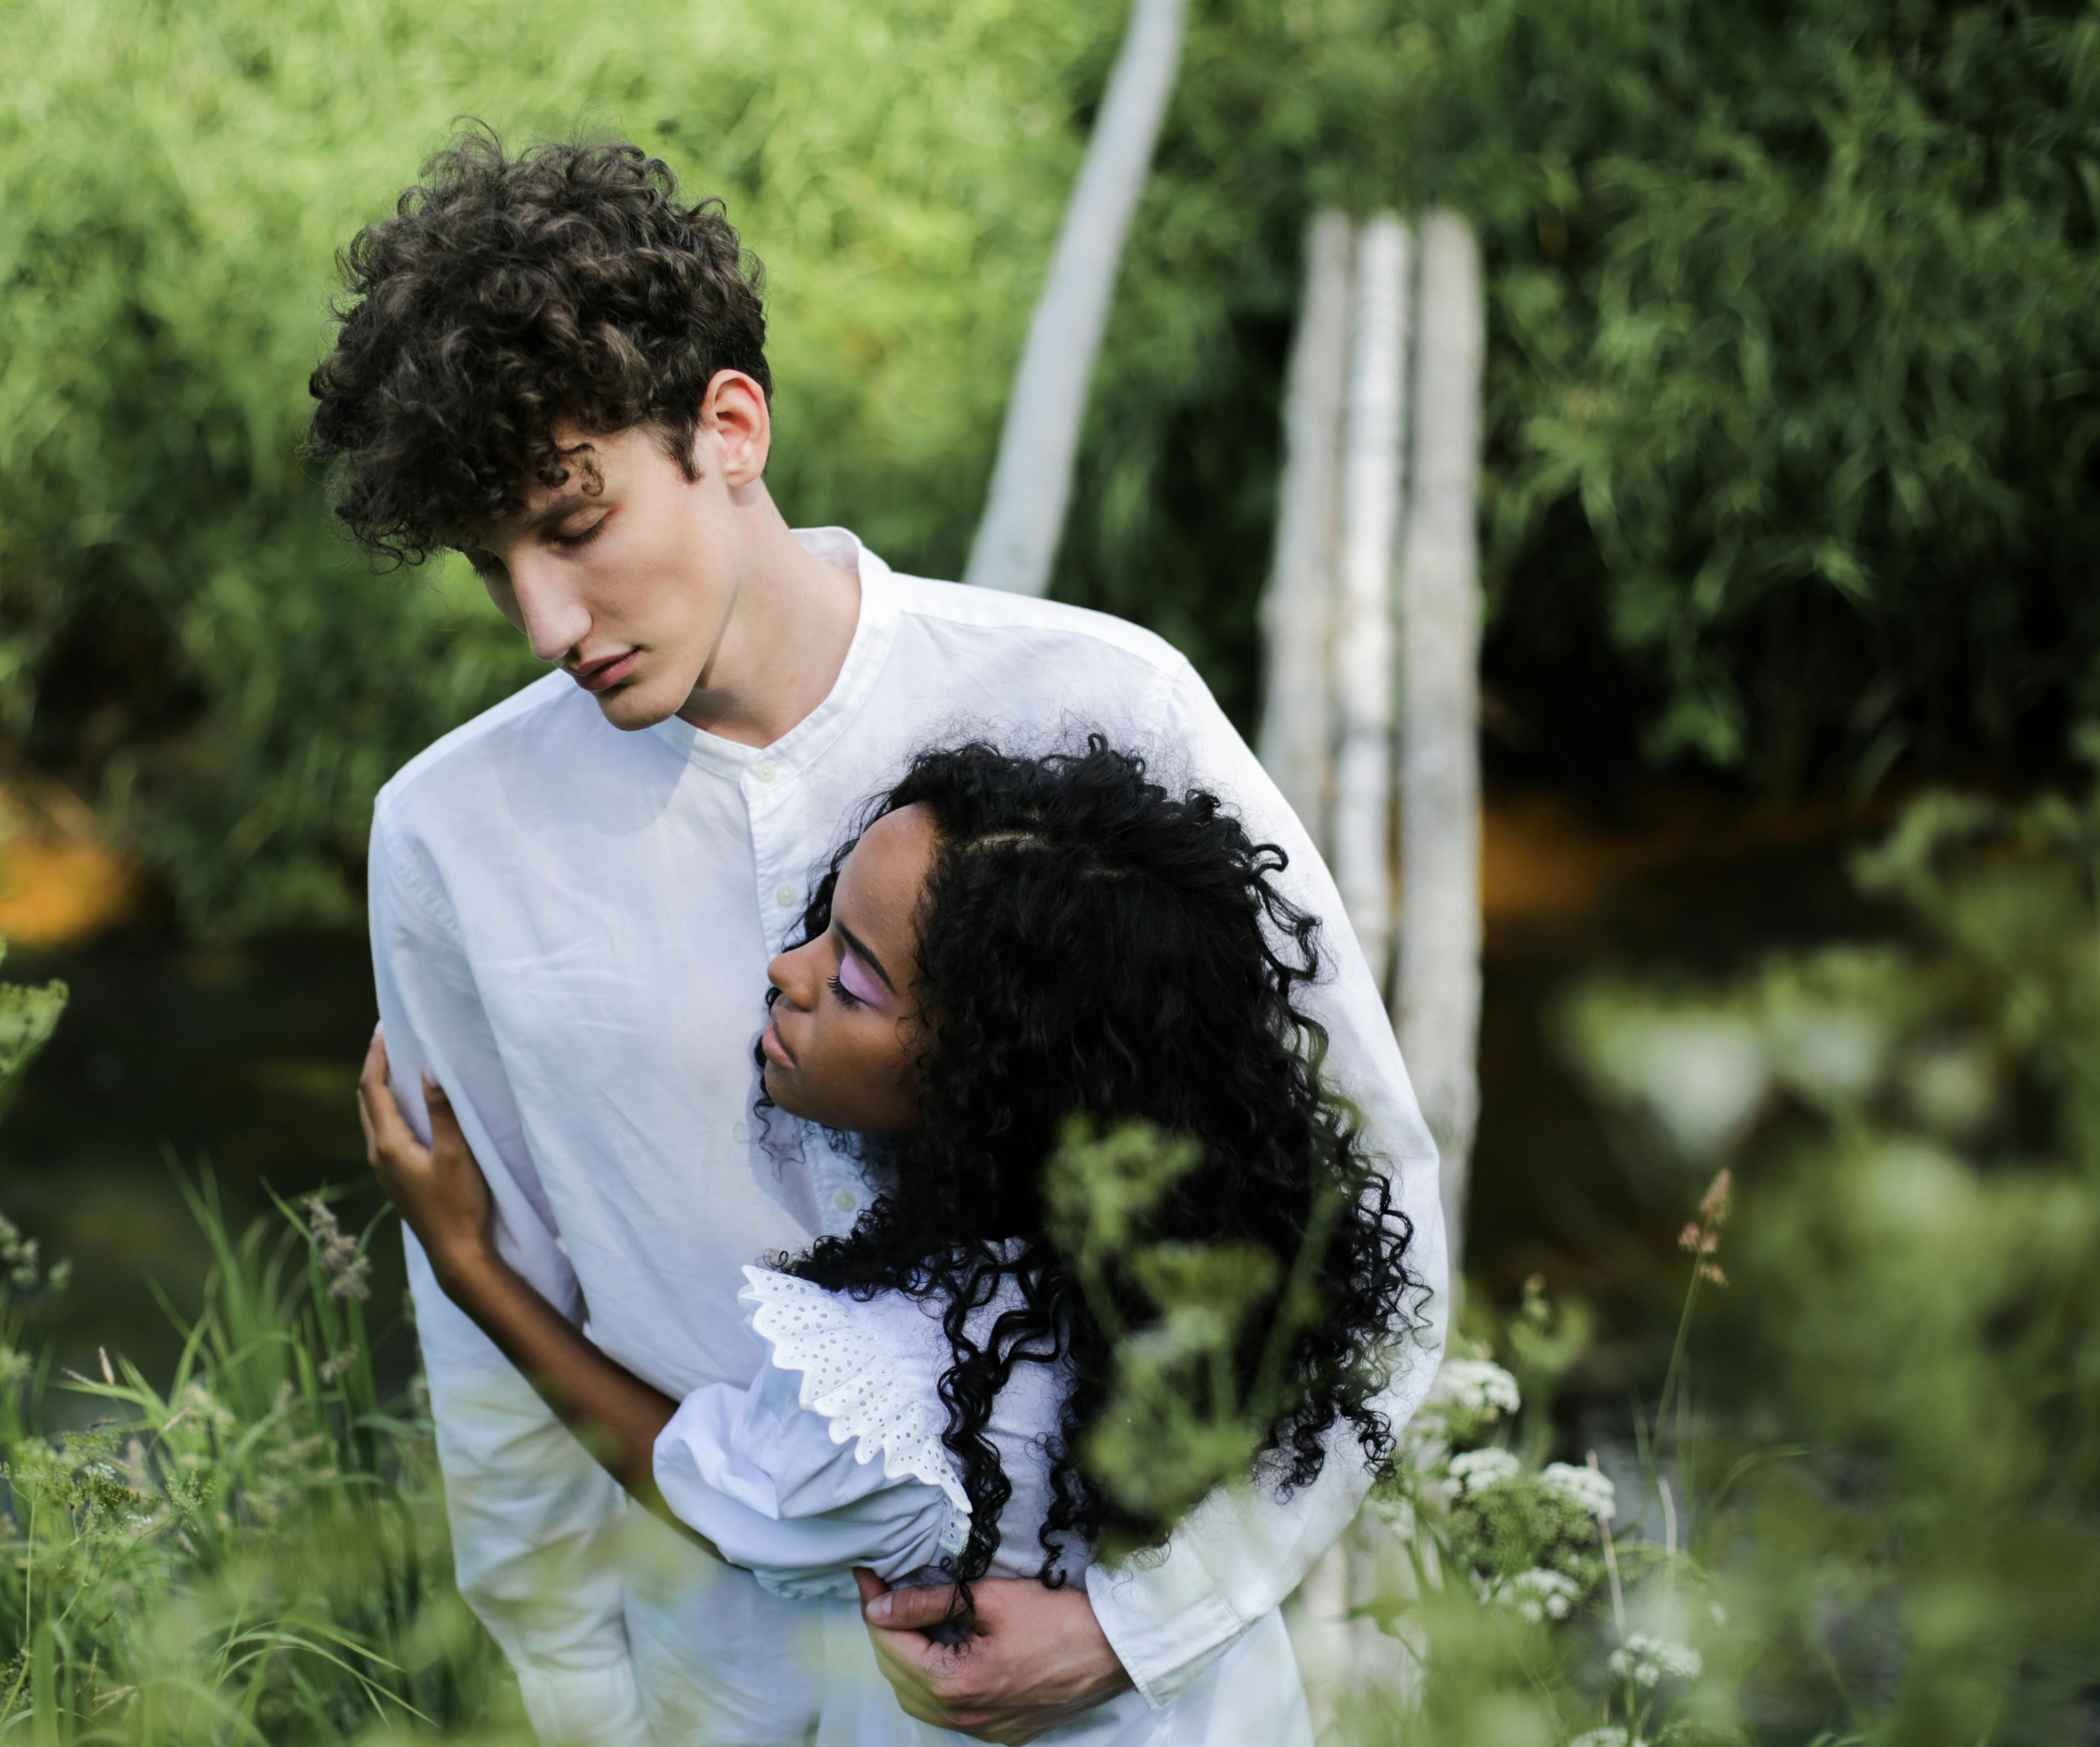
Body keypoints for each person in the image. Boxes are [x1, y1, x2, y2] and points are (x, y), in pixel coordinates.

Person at [309, 132, 1446, 1745]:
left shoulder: (1096, 705)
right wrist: (579, 1704)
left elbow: (1365, 1198)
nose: (546, 623)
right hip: (723, 1701)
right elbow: (489, 1339)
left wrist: (1138, 1620)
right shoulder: (447, 840)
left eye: (572, 522)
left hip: (1145, 1705)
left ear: (728, 424)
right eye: (493, 567)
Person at [358, 737, 1424, 1746]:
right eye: (823, 922)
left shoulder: (891, 1382)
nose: (786, 967)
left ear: (985, 1084)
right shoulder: (1196, 1273)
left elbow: (700, 1488)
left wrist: (472, 1269)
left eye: (853, 979)